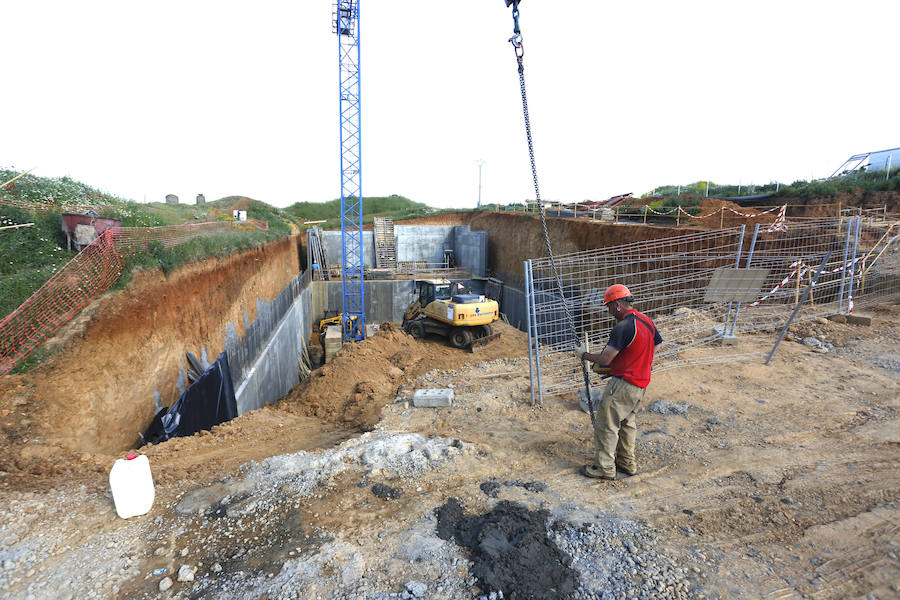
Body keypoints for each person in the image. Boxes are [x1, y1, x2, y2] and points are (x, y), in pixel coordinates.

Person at [575, 284, 662, 480]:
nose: (608, 311)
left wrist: (584, 354)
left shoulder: (622, 327)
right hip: (640, 383)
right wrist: (640, 361)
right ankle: (626, 463)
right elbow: (658, 343)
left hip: (623, 385)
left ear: (617, 305)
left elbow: (606, 359)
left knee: (607, 424)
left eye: (609, 306)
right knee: (627, 423)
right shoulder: (646, 321)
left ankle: (604, 468)